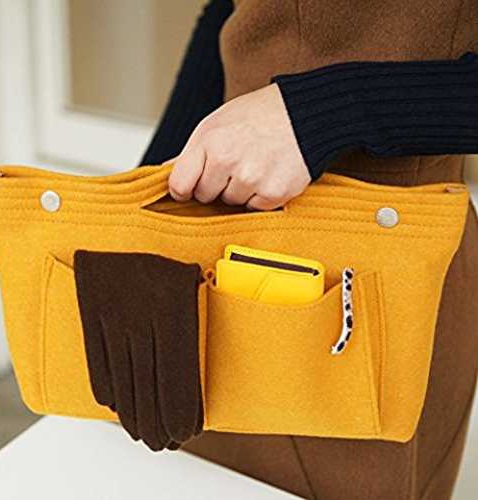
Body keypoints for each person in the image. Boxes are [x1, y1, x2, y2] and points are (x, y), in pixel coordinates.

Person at [140, 1, 478, 499]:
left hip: (379, 283)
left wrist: (323, 113)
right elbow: (233, 12)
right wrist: (152, 200)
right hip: (213, 249)